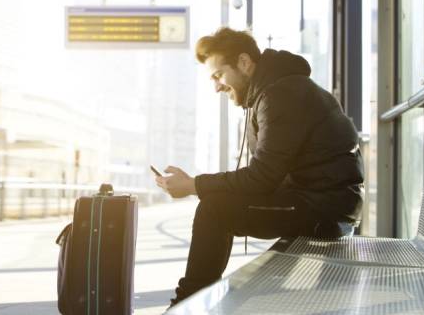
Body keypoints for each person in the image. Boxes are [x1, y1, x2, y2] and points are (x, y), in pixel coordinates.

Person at [155, 27, 364, 308]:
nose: (216, 86)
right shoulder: (277, 91)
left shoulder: (281, 95)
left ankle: (184, 305)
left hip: (324, 210)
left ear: (244, 63)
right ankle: (189, 302)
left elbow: (261, 178)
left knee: (215, 209)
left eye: (218, 75)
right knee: (219, 204)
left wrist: (194, 185)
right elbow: (266, 176)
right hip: (322, 202)